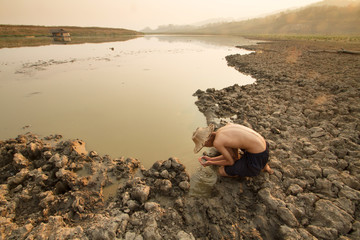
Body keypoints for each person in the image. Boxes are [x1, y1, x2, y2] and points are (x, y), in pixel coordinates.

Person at [192, 123, 273, 177]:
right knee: (240, 153)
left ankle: (255, 169)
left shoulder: (217, 142)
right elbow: (234, 156)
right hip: (265, 148)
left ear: (207, 141)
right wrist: (210, 159)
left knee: (221, 171)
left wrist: (211, 162)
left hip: (257, 156)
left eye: (204, 145)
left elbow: (230, 162)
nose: (206, 147)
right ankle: (265, 166)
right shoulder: (224, 129)